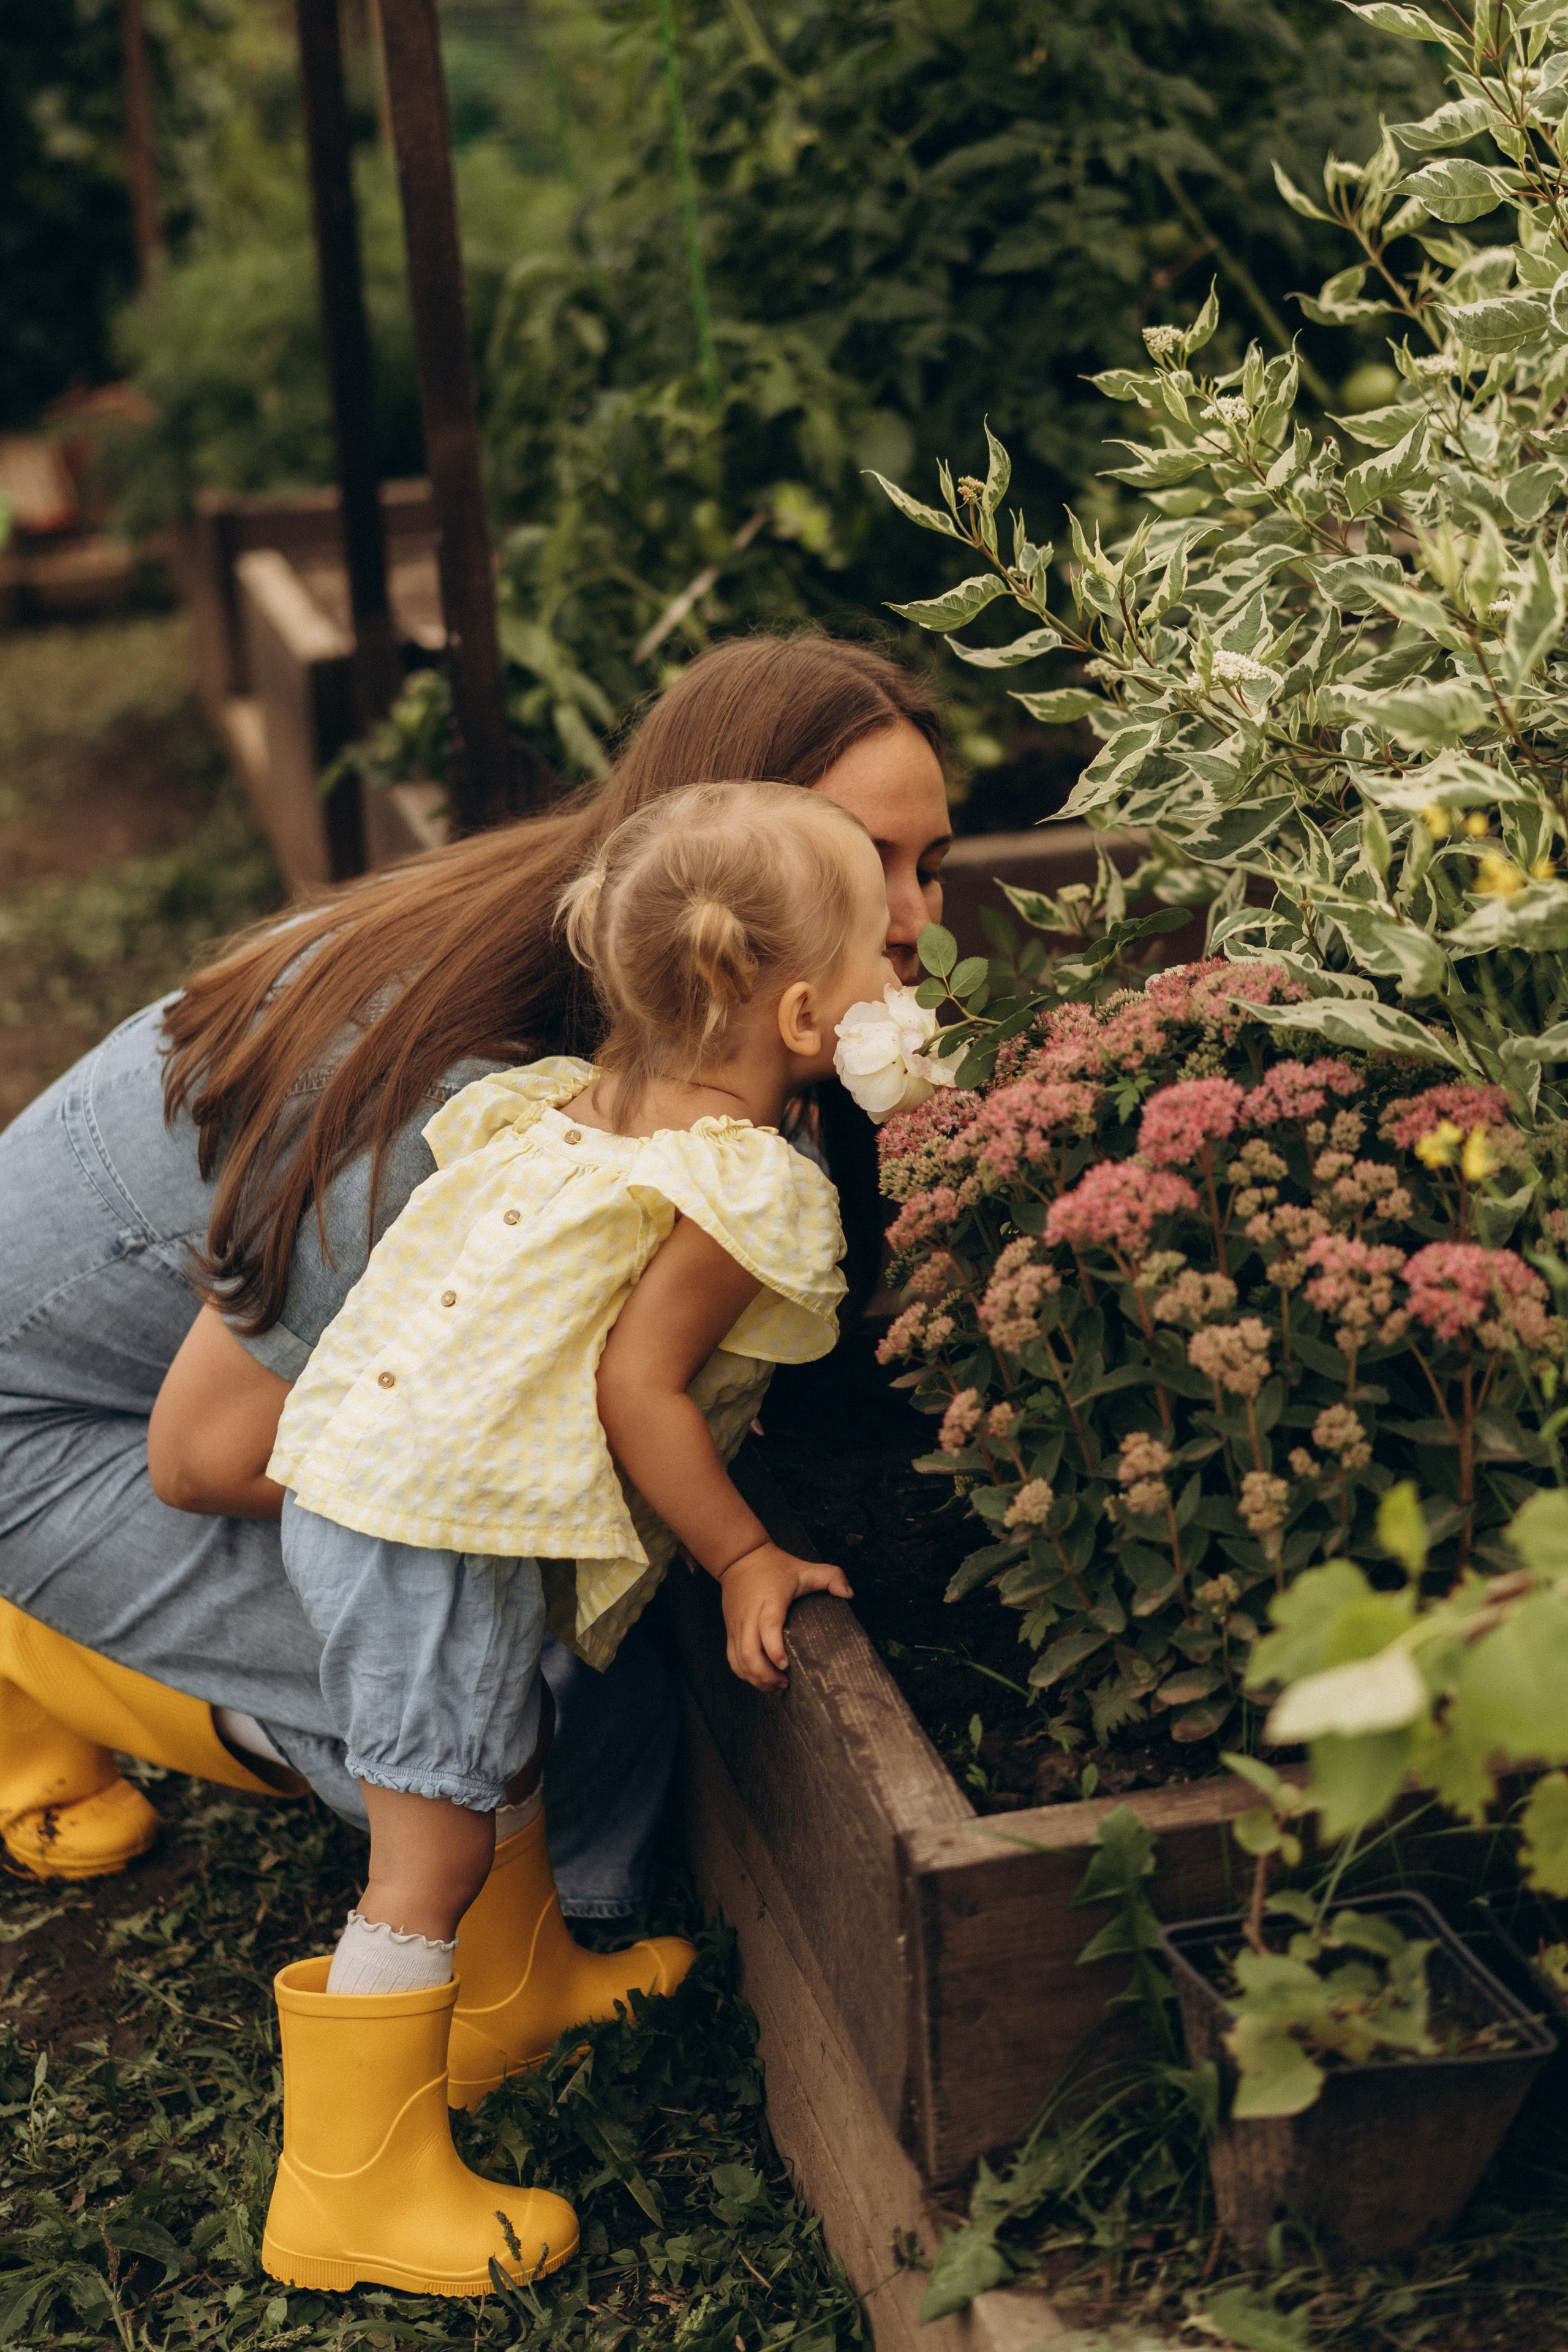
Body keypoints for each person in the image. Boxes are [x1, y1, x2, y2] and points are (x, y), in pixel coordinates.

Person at [179, 780, 878, 2294]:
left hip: (369, 1494)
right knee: (422, 1848)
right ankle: (344, 2192)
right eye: (892, 948)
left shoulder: (551, 1109)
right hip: (420, 1528)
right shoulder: (736, 1175)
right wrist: (744, 1554)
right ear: (813, 1018)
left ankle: (511, 1992)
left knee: (490, 1754)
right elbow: (643, 1393)